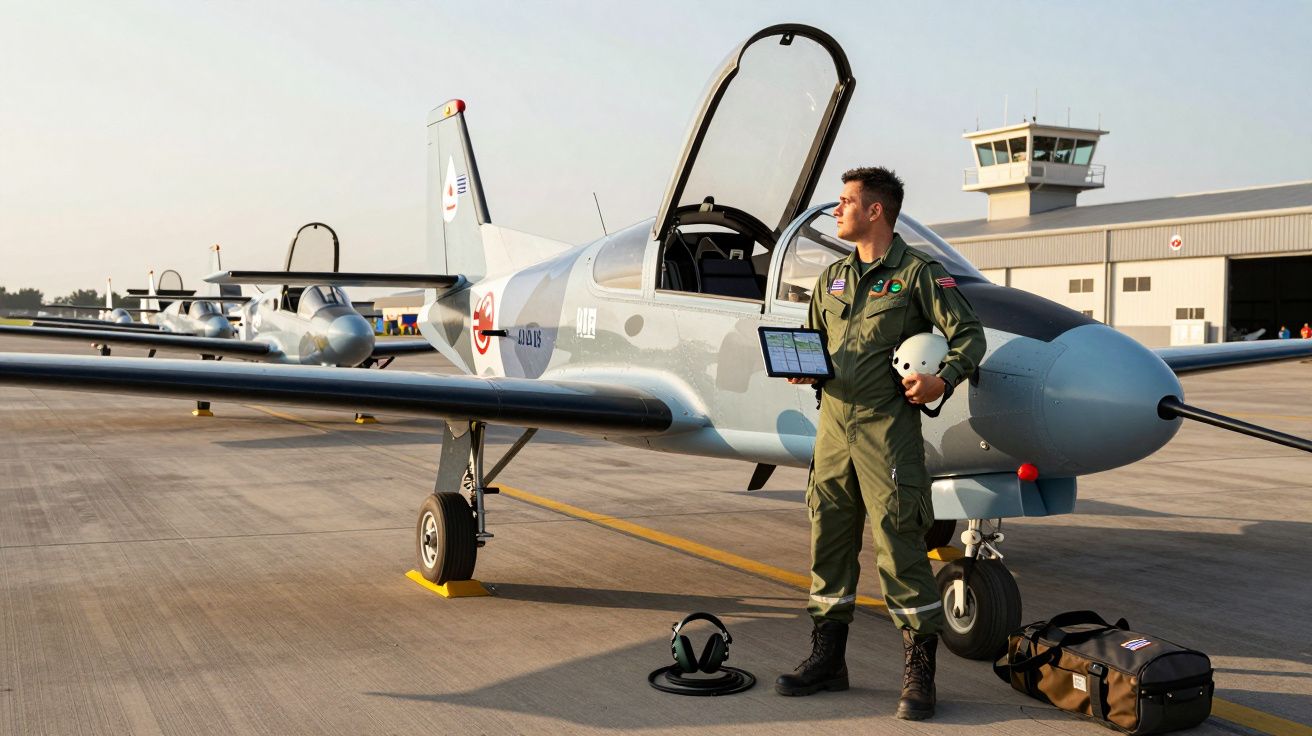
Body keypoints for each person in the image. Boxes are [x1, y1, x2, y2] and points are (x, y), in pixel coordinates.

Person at [775, 167, 986, 720]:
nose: (836, 210)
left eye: (845, 202)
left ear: (876, 211)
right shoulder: (833, 279)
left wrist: (945, 377)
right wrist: (808, 368)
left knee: (899, 545)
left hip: (887, 431)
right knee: (829, 540)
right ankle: (828, 661)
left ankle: (920, 675)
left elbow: (970, 334)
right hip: (833, 428)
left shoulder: (919, 275)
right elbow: (817, 337)